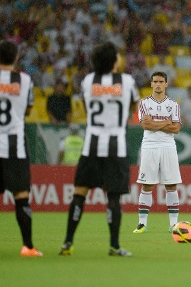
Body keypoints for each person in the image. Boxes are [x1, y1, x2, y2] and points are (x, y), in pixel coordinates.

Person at [59, 42, 139, 256]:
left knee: (80, 193)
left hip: (92, 144)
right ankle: (114, 246)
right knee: (113, 197)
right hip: (116, 145)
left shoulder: (87, 81)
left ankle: (67, 243)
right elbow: (133, 107)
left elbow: (86, 108)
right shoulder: (127, 81)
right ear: (114, 60)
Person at [0, 40, 42, 257]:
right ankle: (28, 246)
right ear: (16, 59)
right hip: (16, 145)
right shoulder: (25, 80)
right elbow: (28, 109)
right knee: (21, 195)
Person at [132, 71, 182, 233]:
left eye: (161, 81)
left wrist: (156, 123)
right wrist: (165, 122)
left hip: (168, 146)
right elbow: (146, 126)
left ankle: (174, 223)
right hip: (150, 145)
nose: (158, 84)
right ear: (151, 84)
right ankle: (142, 224)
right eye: (155, 81)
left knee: (171, 185)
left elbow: (176, 128)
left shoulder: (174, 104)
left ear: (166, 84)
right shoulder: (144, 103)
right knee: (147, 185)